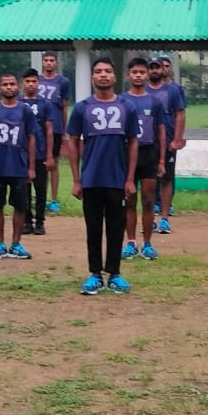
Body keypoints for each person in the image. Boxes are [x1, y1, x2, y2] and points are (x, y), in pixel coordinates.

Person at [67, 58, 138, 295]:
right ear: (92, 78)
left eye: (108, 71)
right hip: (91, 179)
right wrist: (77, 179)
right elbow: (72, 142)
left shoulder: (127, 107)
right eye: (98, 71)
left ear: (115, 77)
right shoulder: (82, 108)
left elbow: (133, 142)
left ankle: (114, 274)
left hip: (117, 178)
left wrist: (130, 178)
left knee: (116, 228)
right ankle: (95, 274)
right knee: (94, 228)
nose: (103, 75)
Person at [0, 73, 37, 260]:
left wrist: (31, 167)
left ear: (17, 86)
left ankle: (16, 244)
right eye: (5, 84)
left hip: (19, 166)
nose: (9, 87)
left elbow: (31, 139)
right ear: (0, 88)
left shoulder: (25, 111)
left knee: (19, 206)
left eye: (12, 84)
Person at [121, 58, 168, 260]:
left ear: (147, 75)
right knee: (129, 200)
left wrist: (162, 160)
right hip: (126, 154)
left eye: (142, 72)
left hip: (148, 153)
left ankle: (148, 243)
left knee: (148, 200)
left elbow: (161, 131)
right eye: (135, 72)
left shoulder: (154, 102)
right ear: (128, 75)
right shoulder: (121, 100)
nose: (138, 75)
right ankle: (131, 242)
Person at [147, 56, 188, 233]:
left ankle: (164, 218)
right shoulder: (142, 90)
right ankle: (149, 217)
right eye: (152, 67)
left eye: (158, 67)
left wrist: (177, 138)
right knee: (148, 181)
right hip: (147, 142)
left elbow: (180, 114)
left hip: (168, 140)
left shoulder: (173, 90)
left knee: (166, 178)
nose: (155, 70)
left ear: (163, 69)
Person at [20, 69, 58, 236]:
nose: (31, 84)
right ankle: (26, 221)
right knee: (23, 188)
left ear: (38, 83)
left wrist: (49, 155)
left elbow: (49, 131)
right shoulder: (18, 103)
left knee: (40, 188)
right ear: (23, 83)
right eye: (27, 81)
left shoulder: (45, 104)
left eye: (34, 81)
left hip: (40, 153)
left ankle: (40, 221)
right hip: (21, 153)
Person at [37, 52, 73, 213]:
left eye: (52, 60)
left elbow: (64, 107)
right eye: (46, 60)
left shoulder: (63, 82)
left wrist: (64, 131)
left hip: (56, 126)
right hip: (38, 127)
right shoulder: (36, 80)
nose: (49, 63)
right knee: (39, 164)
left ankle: (54, 200)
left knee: (53, 163)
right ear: (42, 63)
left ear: (56, 63)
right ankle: (41, 198)